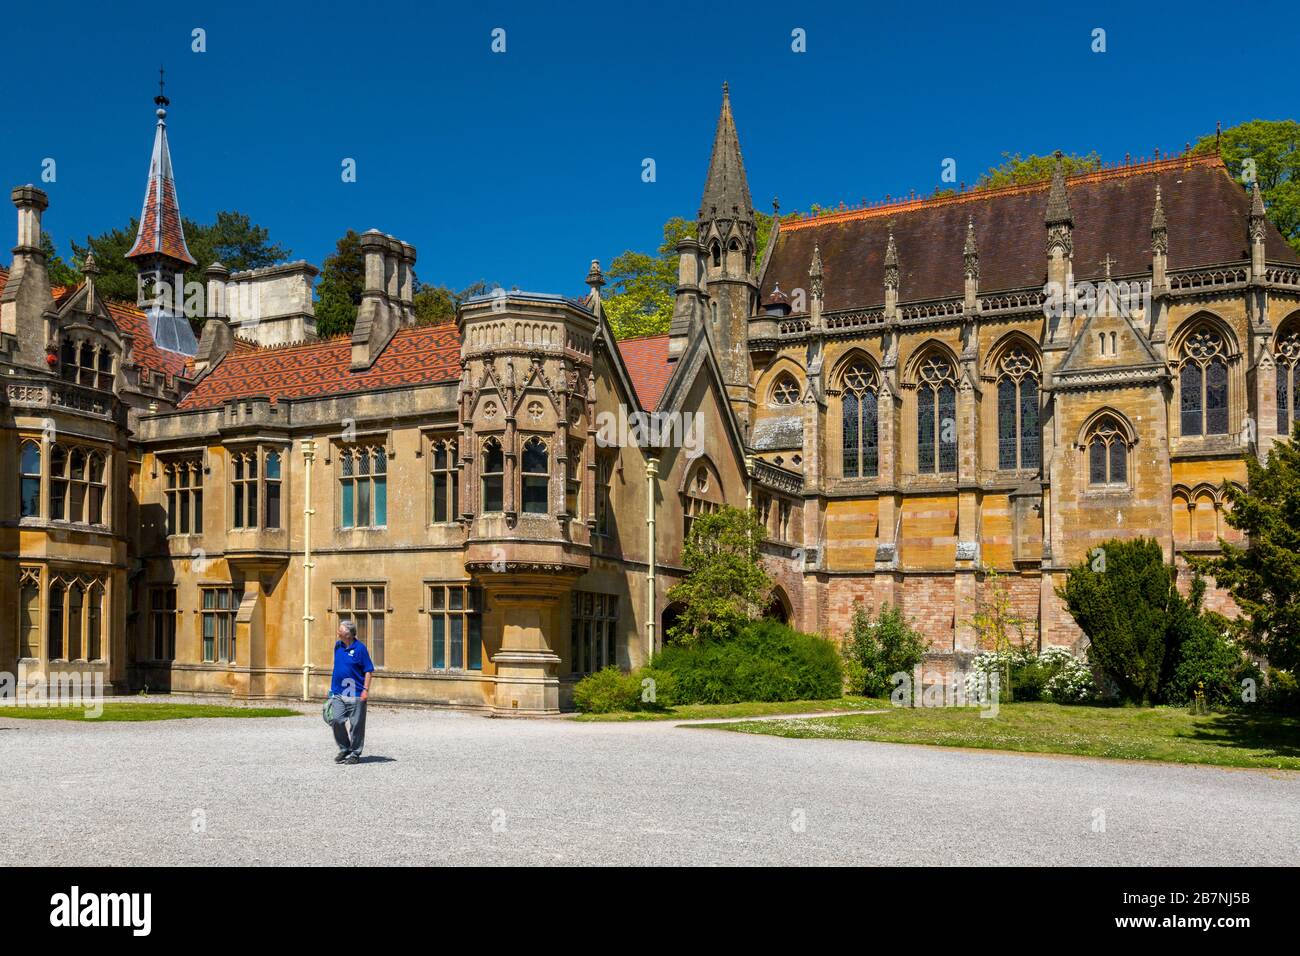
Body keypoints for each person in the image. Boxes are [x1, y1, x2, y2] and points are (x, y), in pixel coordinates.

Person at [328, 621, 374, 764]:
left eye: (340, 631)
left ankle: (355, 753)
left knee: (356, 725)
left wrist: (365, 690)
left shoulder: (360, 649)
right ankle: (344, 748)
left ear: (347, 635)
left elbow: (368, 670)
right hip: (338, 692)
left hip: (356, 693)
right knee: (336, 720)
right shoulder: (338, 646)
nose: (337, 633)